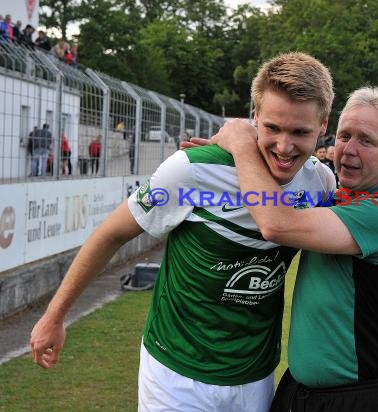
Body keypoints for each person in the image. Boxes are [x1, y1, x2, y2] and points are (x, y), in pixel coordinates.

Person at [29, 52, 336, 412]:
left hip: (255, 376)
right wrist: (55, 315)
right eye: (272, 128)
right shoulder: (191, 172)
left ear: (323, 125)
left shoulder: (320, 183)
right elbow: (110, 234)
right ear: (254, 117)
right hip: (174, 375)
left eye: (300, 132)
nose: (284, 147)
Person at [210, 86, 378, 411]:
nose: (347, 150)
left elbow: (277, 223)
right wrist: (217, 163)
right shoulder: (341, 197)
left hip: (357, 400)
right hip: (300, 391)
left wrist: (240, 145)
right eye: (344, 135)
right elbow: (282, 178)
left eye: (366, 140)